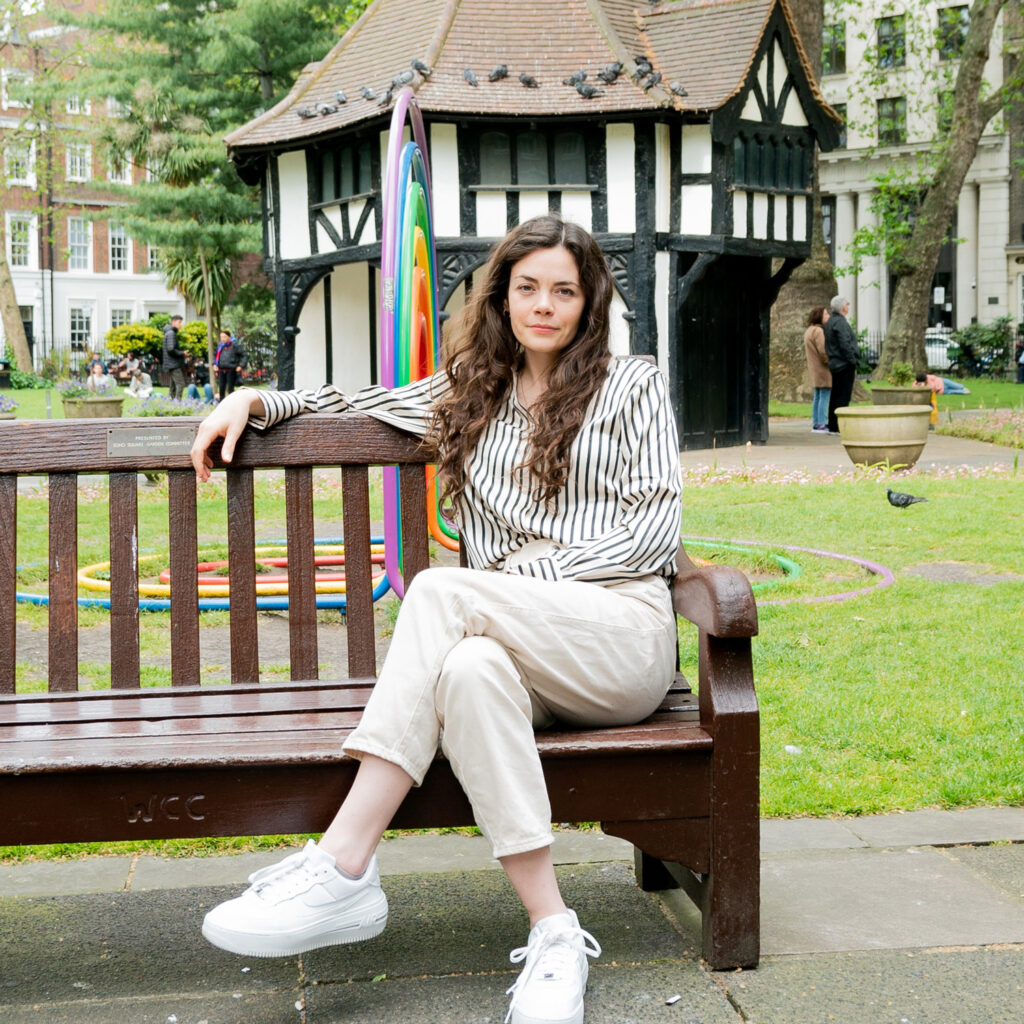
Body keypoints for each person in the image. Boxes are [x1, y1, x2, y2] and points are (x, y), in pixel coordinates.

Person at [190, 215, 682, 1024]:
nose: (545, 305)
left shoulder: (633, 384)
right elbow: (350, 400)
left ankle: (344, 862)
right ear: (502, 295)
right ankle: (554, 931)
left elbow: (654, 531)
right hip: (514, 656)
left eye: (565, 290)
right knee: (467, 671)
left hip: (617, 636)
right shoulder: (472, 391)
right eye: (528, 288)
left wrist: (526, 574)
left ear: (591, 303)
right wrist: (255, 396)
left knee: (442, 589)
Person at [822, 295, 859, 433]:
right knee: (843, 396)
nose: (848, 306)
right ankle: (839, 425)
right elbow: (844, 343)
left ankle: (833, 424)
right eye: (847, 304)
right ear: (843, 307)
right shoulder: (840, 323)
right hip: (843, 364)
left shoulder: (830, 322)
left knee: (835, 395)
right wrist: (852, 360)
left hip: (835, 363)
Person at [803, 305, 831, 432]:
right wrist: (830, 361)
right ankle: (822, 423)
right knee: (824, 395)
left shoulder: (809, 330)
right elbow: (823, 350)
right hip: (822, 369)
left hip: (814, 368)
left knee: (818, 396)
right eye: (825, 314)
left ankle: (816, 422)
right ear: (819, 316)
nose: (828, 316)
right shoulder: (819, 331)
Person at [214, 329, 247, 400]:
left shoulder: (235, 345)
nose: (222, 339)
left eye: (224, 337)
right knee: (221, 388)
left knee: (230, 389)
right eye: (221, 337)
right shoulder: (220, 346)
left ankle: (232, 403)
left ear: (229, 337)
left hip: (231, 370)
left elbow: (244, 355)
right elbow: (215, 355)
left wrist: (241, 365)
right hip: (221, 370)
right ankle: (221, 404)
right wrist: (214, 364)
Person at [162, 315, 188, 400]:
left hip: (171, 363)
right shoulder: (171, 333)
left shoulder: (169, 332)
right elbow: (171, 349)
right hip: (173, 364)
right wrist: (182, 353)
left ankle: (171, 403)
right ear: (173, 322)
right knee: (180, 384)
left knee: (173, 386)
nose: (181, 324)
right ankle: (177, 404)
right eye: (179, 322)